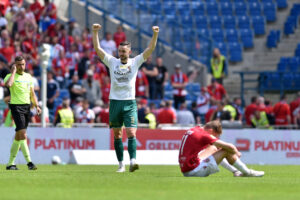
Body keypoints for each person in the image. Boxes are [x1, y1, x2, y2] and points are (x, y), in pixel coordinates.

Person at [92, 23, 159, 172]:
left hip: (129, 103)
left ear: (129, 52)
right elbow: (98, 49)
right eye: (120, 51)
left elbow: (150, 49)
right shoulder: (112, 62)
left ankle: (133, 161)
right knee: (117, 134)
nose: (121, 53)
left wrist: (155, 34)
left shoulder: (135, 62)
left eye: (124, 51)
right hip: (115, 102)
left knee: (131, 132)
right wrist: (95, 32)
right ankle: (121, 164)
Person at [179, 120, 265, 177]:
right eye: (215, 135)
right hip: (194, 170)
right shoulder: (204, 135)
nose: (215, 138)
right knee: (226, 150)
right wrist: (236, 152)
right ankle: (247, 172)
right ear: (211, 131)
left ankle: (236, 171)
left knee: (213, 147)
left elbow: (216, 146)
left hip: (185, 170)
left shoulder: (196, 129)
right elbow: (229, 147)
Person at [4, 56, 41, 170]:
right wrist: (13, 72)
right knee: (23, 135)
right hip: (16, 107)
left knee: (18, 136)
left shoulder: (28, 77)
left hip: (26, 107)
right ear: (15, 65)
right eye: (19, 64)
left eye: (23, 64)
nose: (21, 66)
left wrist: (36, 105)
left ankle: (10, 164)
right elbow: (9, 85)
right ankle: (29, 163)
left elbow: (32, 93)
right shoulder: (10, 76)